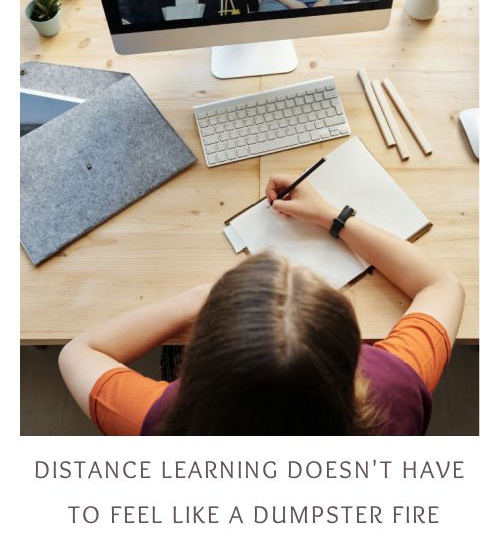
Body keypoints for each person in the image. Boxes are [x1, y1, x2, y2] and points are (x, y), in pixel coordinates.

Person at [59, 175, 464, 436]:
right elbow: (440, 285)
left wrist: (197, 299)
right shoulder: (393, 391)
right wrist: (332, 216)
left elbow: (79, 352)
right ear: (350, 355)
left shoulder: (161, 422)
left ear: (197, 362)